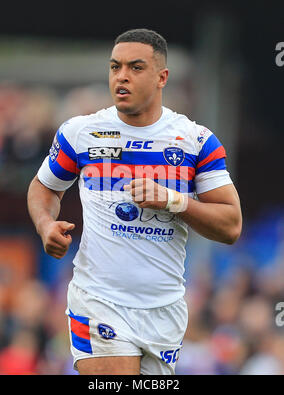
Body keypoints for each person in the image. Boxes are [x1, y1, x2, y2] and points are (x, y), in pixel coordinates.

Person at [27, 28, 242, 375]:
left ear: (162, 77)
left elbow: (231, 226)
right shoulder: (81, 133)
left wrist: (174, 201)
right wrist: (44, 224)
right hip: (98, 299)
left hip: (165, 308)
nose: (122, 76)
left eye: (136, 67)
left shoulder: (196, 141)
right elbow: (44, 188)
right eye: (115, 67)